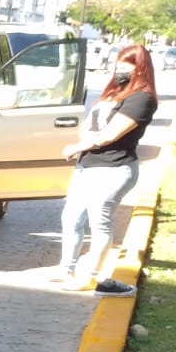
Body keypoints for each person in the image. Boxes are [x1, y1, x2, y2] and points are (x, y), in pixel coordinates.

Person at [54, 43, 158, 296]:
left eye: (127, 65)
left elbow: (111, 134)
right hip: (87, 166)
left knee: (99, 222)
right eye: (119, 63)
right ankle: (65, 270)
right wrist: (85, 141)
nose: (120, 69)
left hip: (114, 168)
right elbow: (90, 124)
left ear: (140, 68)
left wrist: (78, 145)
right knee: (71, 219)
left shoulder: (142, 99)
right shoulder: (114, 92)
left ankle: (91, 276)